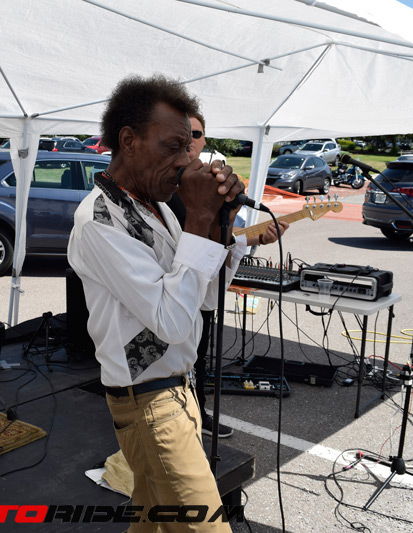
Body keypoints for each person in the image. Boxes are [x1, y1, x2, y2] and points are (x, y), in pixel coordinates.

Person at [67, 74, 247, 532]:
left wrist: (221, 224)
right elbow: (171, 321)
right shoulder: (99, 221)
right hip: (150, 403)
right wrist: (199, 217)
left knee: (152, 523)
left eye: (189, 147)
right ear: (129, 141)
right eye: (173, 147)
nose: (186, 160)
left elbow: (205, 297)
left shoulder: (158, 207)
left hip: (177, 390)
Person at [166, 113, 288, 439]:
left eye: (195, 134)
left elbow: (225, 235)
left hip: (203, 289)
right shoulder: (164, 187)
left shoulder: (213, 183)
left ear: (204, 140)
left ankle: (198, 414)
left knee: (199, 358)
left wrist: (253, 237)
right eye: (181, 133)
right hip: (170, 292)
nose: (189, 140)